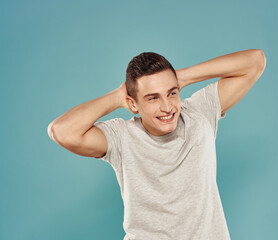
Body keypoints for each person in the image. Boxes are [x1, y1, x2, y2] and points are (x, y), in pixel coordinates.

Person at [47, 49, 266, 240]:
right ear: (133, 103)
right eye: (153, 98)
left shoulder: (199, 112)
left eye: (172, 93)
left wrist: (181, 77)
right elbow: (62, 131)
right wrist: (117, 96)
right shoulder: (122, 136)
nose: (167, 107)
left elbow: (255, 60)